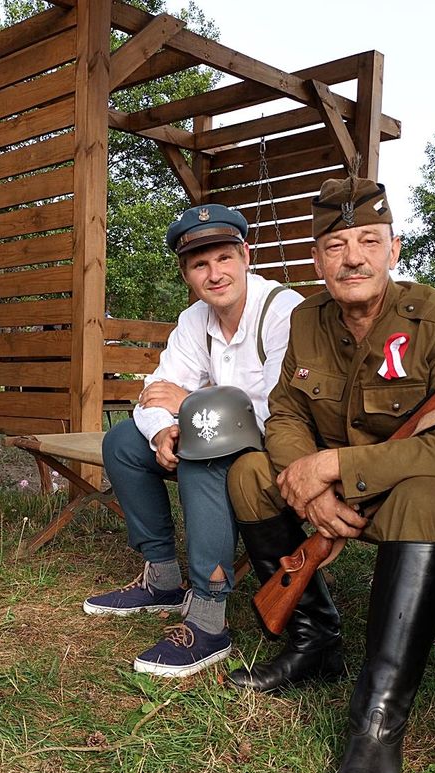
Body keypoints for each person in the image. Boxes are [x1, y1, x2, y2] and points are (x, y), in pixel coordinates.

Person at [225, 177, 435, 773]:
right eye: (336, 245)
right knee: (248, 473)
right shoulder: (307, 319)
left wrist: (335, 468)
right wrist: (306, 481)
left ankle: (377, 729)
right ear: (317, 260)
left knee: (423, 492)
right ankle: (312, 641)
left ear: (394, 249)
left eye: (368, 242)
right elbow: (289, 411)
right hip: (352, 500)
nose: (353, 257)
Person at [83, 203, 303, 678]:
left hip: (281, 445)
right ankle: (162, 579)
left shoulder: (284, 312)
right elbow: (152, 395)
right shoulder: (193, 321)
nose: (215, 273)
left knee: (203, 455)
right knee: (123, 441)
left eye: (224, 258)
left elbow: (274, 409)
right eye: (200, 264)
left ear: (246, 256)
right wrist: (164, 429)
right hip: (216, 431)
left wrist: (190, 402)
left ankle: (208, 619)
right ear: (187, 273)